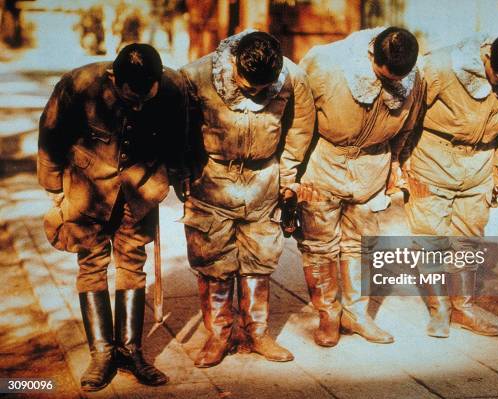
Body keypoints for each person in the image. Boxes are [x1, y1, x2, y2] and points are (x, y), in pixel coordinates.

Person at [38, 43, 189, 391]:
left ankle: (131, 351)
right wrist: (54, 190)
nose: (137, 104)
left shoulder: (173, 88)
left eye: (144, 97)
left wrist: (182, 185)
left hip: (141, 188)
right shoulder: (78, 85)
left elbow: (179, 140)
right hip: (86, 186)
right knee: (91, 264)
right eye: (129, 96)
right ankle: (102, 353)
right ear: (112, 78)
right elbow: (51, 135)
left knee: (133, 264)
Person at [180, 30, 315, 367]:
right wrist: (181, 174)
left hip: (264, 181)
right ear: (233, 62)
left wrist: (289, 178)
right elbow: (178, 130)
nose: (254, 93)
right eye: (246, 85)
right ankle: (220, 334)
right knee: (213, 261)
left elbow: (299, 130)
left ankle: (256, 333)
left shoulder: (293, 78)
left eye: (260, 90)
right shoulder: (195, 76)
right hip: (211, 180)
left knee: (260, 258)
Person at [405, 31, 498, 338]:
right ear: (487, 58)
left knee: (469, 239)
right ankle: (439, 310)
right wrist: (402, 164)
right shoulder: (440, 67)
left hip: (479, 165)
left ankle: (463, 309)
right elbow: (409, 116)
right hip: (432, 158)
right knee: (430, 240)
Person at [297, 27, 426, 347]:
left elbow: (407, 126)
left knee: (360, 245)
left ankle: (356, 314)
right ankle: (329, 315)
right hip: (325, 163)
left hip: (371, 168)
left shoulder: (413, 76)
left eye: (399, 78)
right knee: (319, 246)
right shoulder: (324, 61)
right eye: (384, 76)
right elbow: (297, 115)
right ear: (371, 54)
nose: (393, 84)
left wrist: (394, 163)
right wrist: (293, 172)